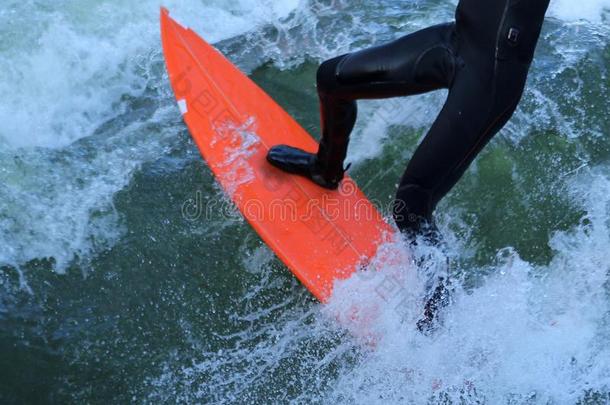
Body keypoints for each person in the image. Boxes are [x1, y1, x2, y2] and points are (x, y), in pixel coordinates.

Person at [267, 0, 550, 241]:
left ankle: (438, 302)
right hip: (456, 41)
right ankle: (325, 170)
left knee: (411, 206)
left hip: (490, 80)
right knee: (332, 80)